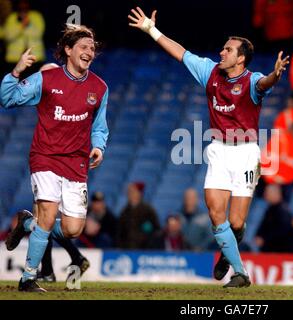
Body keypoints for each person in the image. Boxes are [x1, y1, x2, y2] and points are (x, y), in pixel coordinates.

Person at [128, 7, 289, 287]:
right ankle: (240, 273)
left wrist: (276, 75)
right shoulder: (210, 72)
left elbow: (265, 83)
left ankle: (226, 255)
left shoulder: (251, 80)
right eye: (223, 48)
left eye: (228, 50)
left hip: (247, 155)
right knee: (217, 214)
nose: (222, 52)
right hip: (218, 150)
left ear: (241, 58)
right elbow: (180, 52)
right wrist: (151, 30)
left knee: (237, 224)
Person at [1, 23, 109, 292]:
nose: (89, 52)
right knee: (48, 217)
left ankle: (27, 222)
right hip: (45, 156)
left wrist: (99, 146)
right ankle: (28, 278)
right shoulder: (47, 78)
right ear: (69, 50)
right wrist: (16, 71)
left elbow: (100, 126)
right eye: (83, 47)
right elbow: (8, 99)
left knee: (73, 229)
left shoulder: (99, 87)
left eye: (92, 48)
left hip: (76, 163)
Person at [261, 122, 293, 203]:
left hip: (288, 184)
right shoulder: (279, 141)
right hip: (272, 183)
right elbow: (266, 161)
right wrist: (271, 180)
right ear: (290, 129)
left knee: (283, 208)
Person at [3, 0, 45, 79]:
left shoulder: (36, 16)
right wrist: (22, 26)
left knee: (34, 85)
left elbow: (38, 33)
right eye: (21, 5)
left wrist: (25, 26)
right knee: (14, 83)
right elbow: (8, 37)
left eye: (25, 4)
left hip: (35, 59)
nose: (23, 7)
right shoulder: (11, 17)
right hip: (14, 59)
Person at [117, 182, 161, 249]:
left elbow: (155, 229)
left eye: (132, 192)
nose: (129, 194)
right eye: (129, 192)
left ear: (139, 193)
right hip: (127, 248)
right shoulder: (125, 211)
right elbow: (120, 231)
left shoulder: (148, 210)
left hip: (144, 248)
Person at [254, 184, 292, 253]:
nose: (265, 196)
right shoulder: (271, 208)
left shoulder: (282, 210)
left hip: (277, 251)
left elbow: (283, 231)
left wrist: (264, 239)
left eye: (267, 193)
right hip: (269, 249)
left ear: (275, 193)